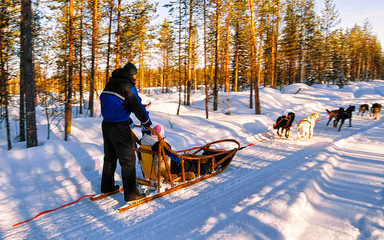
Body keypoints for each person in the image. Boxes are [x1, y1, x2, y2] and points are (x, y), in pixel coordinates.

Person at [99, 62, 152, 202]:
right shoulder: (128, 86)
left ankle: (107, 187)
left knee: (109, 157)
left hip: (106, 125)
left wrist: (125, 118)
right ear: (131, 76)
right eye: (134, 76)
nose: (135, 79)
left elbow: (113, 104)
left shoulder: (110, 84)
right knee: (128, 160)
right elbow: (137, 107)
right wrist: (146, 123)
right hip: (119, 127)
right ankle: (131, 194)